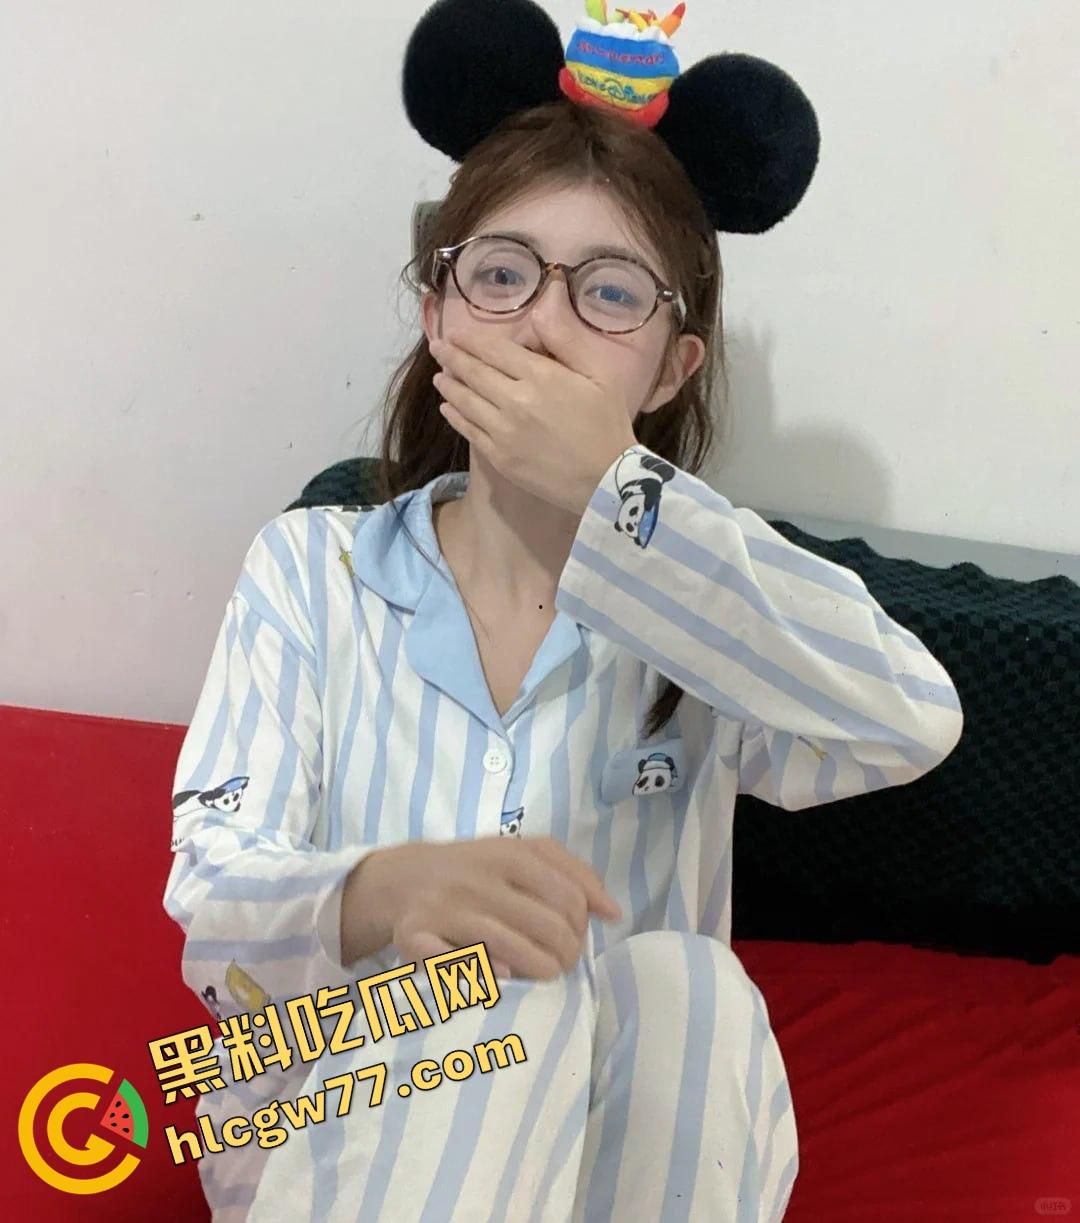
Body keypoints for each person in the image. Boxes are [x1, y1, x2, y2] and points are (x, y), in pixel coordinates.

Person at [163, 4, 964, 1220]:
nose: (541, 324)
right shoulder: (312, 568)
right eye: (500, 274)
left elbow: (910, 717)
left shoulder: (707, 599)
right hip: (323, 1119)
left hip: (605, 1154)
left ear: (670, 367)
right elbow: (214, 909)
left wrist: (617, 495)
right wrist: (383, 889)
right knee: (500, 981)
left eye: (609, 293)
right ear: (437, 312)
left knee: (694, 993)